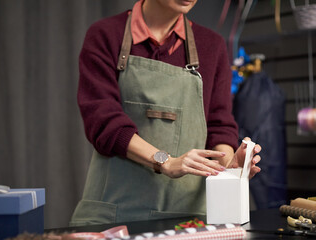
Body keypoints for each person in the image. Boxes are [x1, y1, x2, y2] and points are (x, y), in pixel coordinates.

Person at [70, 0, 261, 226]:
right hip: (114, 217)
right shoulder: (105, 35)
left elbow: (219, 125)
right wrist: (165, 161)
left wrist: (229, 167)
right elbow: (103, 122)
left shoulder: (212, 46)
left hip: (190, 220)